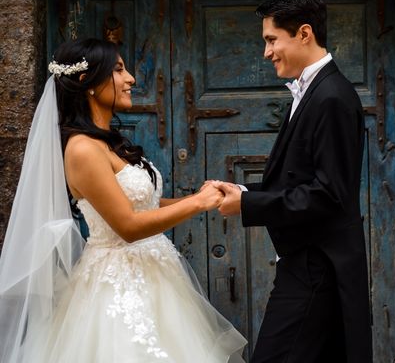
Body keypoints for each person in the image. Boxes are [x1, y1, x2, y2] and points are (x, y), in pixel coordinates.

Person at [0, 38, 246, 362]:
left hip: (156, 276)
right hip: (116, 287)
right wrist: (197, 205)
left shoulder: (108, 144)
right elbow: (127, 226)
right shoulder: (83, 149)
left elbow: (142, 207)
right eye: (118, 70)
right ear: (88, 82)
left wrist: (202, 196)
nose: (130, 78)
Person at [213, 0, 372, 362]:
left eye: (271, 40)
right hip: (307, 264)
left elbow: (328, 194)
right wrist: (239, 189)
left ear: (304, 33)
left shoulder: (332, 96)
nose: (266, 52)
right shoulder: (314, 90)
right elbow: (297, 181)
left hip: (318, 267)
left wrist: (248, 204)